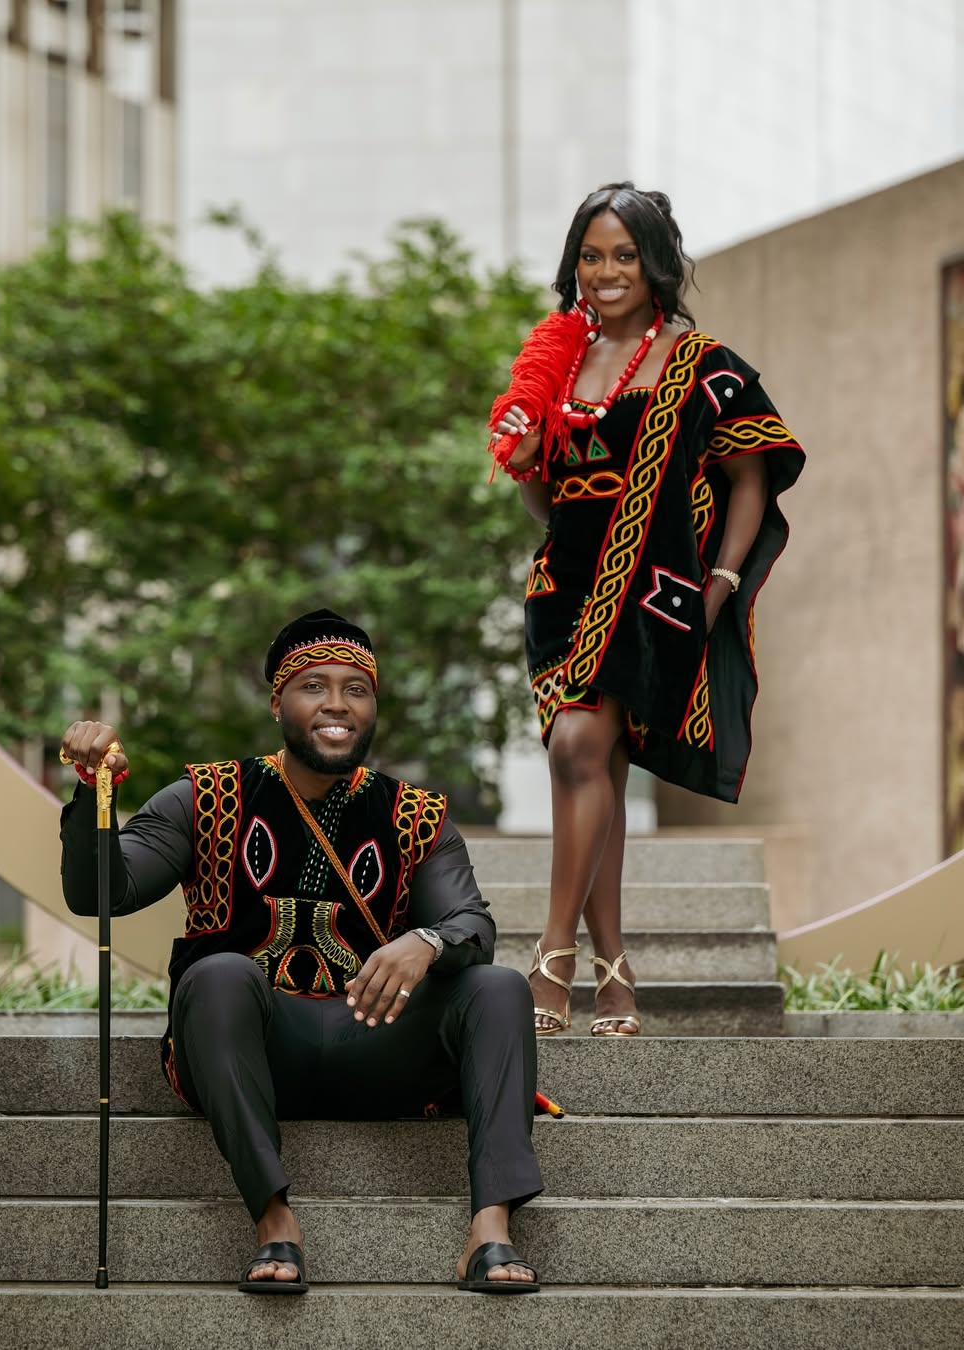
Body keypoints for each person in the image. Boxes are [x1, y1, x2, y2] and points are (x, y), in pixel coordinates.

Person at [59, 610, 542, 1295]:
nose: (337, 704)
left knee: (500, 987)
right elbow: (101, 893)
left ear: (373, 708)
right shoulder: (205, 797)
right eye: (314, 686)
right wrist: (93, 792)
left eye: (356, 689)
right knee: (218, 975)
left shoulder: (418, 817)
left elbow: (472, 924)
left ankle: (489, 1231)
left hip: (376, 1043)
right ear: (277, 702)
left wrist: (426, 941)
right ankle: (274, 1220)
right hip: (249, 1048)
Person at [487, 183, 804, 1039]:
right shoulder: (556, 365)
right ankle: (615, 975)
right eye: (591, 256)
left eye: (623, 254)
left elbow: (751, 478)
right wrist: (527, 462)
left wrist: (722, 583)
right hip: (563, 592)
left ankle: (552, 956)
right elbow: (550, 506)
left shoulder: (703, 363)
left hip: (654, 591)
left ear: (654, 260)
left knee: (577, 749)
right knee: (594, 766)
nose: (606, 271)